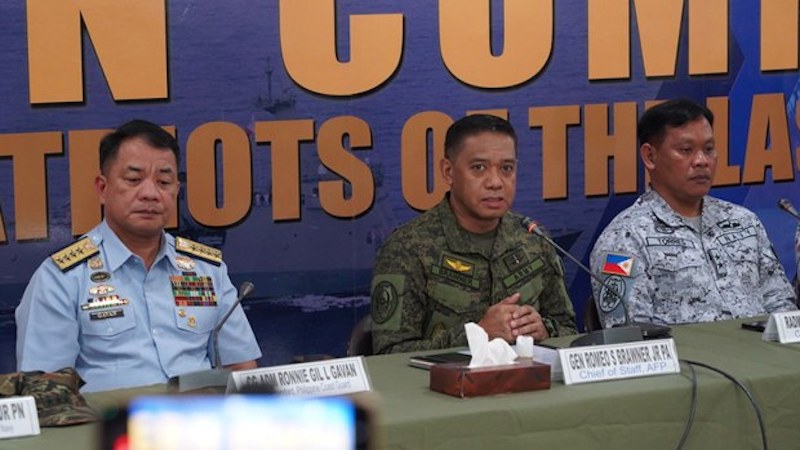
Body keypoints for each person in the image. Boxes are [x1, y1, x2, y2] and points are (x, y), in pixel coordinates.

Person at [15, 120, 261, 392]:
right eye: (133, 180)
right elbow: (44, 391)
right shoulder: (61, 278)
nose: (150, 194)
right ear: (102, 188)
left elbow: (241, 369)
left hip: (199, 426)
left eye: (164, 181)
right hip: (110, 430)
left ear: (176, 190)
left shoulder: (207, 269)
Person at [370, 114, 577, 354]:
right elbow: (388, 355)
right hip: (442, 389)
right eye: (479, 168)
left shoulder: (533, 239)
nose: (495, 182)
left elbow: (570, 331)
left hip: (529, 383)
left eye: (506, 168)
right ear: (448, 172)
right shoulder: (408, 248)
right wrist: (478, 335)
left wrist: (544, 329)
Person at [590, 99, 797, 327]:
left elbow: (783, 309)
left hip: (764, 359)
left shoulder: (744, 222)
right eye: (686, 150)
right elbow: (630, 335)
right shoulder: (624, 238)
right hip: (689, 361)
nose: (701, 161)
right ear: (650, 156)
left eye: (708, 149)